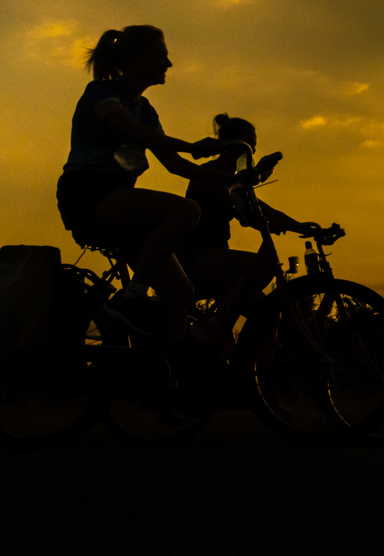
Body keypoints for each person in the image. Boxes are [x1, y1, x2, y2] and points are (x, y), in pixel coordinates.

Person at [54, 25, 246, 353]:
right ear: (133, 58)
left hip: (119, 200)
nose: (168, 64)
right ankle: (130, 299)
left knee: (181, 294)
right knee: (186, 210)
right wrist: (190, 145)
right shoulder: (100, 93)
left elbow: (175, 165)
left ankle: (169, 379)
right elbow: (131, 131)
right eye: (161, 55)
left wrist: (231, 180)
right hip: (89, 195)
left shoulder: (146, 110)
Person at [175, 113, 319, 356]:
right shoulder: (208, 173)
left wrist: (300, 226)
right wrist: (255, 217)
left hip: (217, 260)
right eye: (251, 144)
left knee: (267, 312)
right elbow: (238, 204)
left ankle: (260, 384)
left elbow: (262, 208)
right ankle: (212, 326)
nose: (253, 150)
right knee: (261, 267)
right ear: (236, 144)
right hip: (192, 258)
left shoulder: (236, 181)